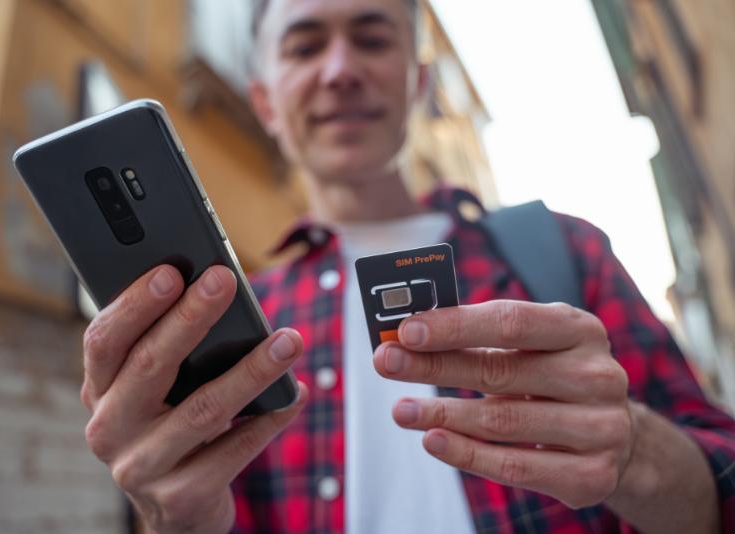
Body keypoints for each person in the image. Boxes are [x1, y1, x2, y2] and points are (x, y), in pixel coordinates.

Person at [79, 0, 735, 532]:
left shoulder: (563, 250)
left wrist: (634, 452)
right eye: (305, 45)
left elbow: (722, 485)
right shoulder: (237, 322)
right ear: (265, 103)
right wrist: (174, 519)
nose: (339, 69)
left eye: (372, 38)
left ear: (419, 85)